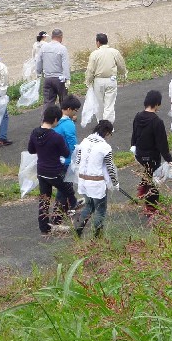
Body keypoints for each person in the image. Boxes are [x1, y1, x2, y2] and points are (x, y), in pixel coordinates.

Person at [29, 104, 74, 235]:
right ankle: (58, 220)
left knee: (44, 200)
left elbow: (31, 150)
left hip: (41, 172)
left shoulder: (34, 133)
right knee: (67, 192)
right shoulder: (56, 137)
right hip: (55, 172)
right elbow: (66, 153)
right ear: (55, 120)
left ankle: (44, 228)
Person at [132, 89, 172, 216]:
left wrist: (134, 148)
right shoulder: (157, 122)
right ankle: (151, 208)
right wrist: (169, 159)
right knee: (155, 182)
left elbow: (134, 135)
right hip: (152, 156)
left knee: (148, 173)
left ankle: (142, 188)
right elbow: (162, 144)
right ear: (157, 104)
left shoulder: (137, 116)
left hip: (140, 154)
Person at [72, 119, 118, 239]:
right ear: (107, 132)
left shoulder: (84, 142)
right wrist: (115, 182)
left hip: (83, 181)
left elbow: (77, 162)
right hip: (96, 183)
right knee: (100, 209)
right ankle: (97, 236)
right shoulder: (105, 147)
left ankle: (78, 230)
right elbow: (110, 167)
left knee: (88, 206)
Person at [84, 33, 128, 124]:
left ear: (98, 42)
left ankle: (101, 123)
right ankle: (108, 125)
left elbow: (90, 70)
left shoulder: (94, 54)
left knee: (99, 104)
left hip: (98, 81)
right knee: (109, 104)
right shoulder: (114, 52)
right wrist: (124, 73)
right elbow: (121, 65)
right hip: (111, 80)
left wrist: (88, 82)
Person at [37, 29, 70, 108]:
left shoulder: (44, 47)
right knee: (63, 101)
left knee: (48, 102)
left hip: (48, 78)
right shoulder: (62, 48)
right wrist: (67, 79)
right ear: (60, 36)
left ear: (52, 36)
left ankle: (46, 120)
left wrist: (38, 73)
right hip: (60, 78)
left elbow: (38, 62)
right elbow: (65, 65)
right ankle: (64, 118)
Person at [54, 94, 81, 190]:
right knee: (67, 185)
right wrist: (75, 157)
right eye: (76, 110)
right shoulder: (68, 124)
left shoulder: (54, 119)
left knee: (61, 185)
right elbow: (72, 142)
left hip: (53, 158)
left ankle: (65, 203)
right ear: (69, 109)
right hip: (66, 159)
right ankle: (68, 204)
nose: (76, 113)